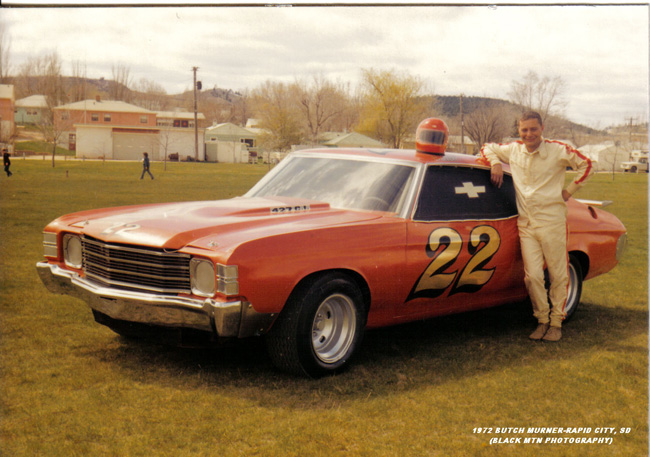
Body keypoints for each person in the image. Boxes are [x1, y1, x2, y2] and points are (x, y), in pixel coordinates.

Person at [480, 111, 593, 342]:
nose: (528, 134)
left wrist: (568, 192)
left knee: (558, 274)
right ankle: (541, 320)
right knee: (532, 277)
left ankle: (555, 323)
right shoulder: (513, 149)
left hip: (552, 221)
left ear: (542, 128)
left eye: (533, 129)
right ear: (519, 131)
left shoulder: (557, 149)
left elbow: (588, 165)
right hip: (527, 224)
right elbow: (487, 147)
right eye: (524, 130)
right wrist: (495, 163)